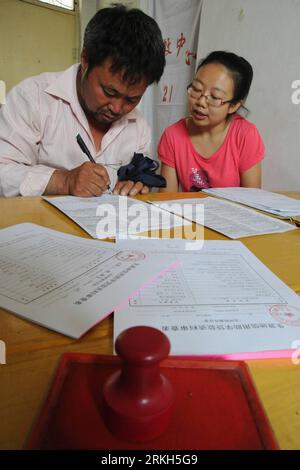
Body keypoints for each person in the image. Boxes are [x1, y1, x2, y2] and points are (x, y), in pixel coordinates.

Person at [0, 5, 165, 197]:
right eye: (109, 92)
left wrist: (137, 185)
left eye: (132, 99)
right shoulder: (33, 98)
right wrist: (62, 181)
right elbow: (3, 170)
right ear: (85, 59)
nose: (117, 108)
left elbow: (141, 175)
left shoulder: (138, 125)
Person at [158, 51, 264, 192]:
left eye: (215, 97)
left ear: (234, 106)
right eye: (196, 89)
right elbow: (167, 200)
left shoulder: (245, 135)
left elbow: (253, 199)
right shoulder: (173, 135)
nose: (201, 102)